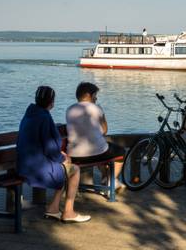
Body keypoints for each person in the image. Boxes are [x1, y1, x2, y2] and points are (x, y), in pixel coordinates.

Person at [17, 86, 91, 223]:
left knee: (63, 168)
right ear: (51, 101)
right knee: (74, 170)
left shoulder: (30, 114)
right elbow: (49, 146)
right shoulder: (44, 117)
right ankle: (68, 212)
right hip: (37, 168)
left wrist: (59, 157)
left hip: (24, 164)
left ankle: (53, 209)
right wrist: (62, 157)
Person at [66, 82, 125, 189]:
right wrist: (102, 114)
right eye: (95, 95)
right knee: (120, 152)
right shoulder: (96, 108)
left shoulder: (69, 109)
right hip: (95, 155)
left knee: (100, 147)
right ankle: (111, 181)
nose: (96, 98)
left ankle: (105, 178)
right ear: (90, 95)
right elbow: (104, 130)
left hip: (74, 156)